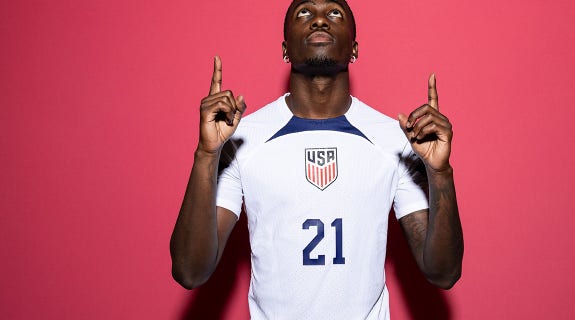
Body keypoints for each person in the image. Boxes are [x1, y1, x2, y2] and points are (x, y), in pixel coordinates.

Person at [170, 0, 463, 318]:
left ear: (354, 49)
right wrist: (206, 154)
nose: (320, 20)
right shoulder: (242, 138)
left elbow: (443, 273)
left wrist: (441, 173)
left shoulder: (395, 140)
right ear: (285, 50)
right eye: (304, 13)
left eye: (334, 13)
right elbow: (190, 271)